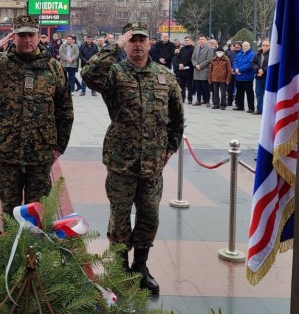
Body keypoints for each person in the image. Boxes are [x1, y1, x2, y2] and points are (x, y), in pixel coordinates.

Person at [82, 22, 184, 296]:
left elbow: (177, 119)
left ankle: (140, 267)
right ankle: (119, 267)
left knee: (150, 215)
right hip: (121, 161)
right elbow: (88, 74)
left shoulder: (165, 76)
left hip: (153, 164)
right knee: (119, 217)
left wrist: (170, 150)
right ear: (126, 44)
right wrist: (113, 46)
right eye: (132, 40)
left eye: (142, 40)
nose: (137, 45)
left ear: (150, 43)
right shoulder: (113, 74)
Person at [0, 15, 74, 218]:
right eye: (21, 35)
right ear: (13, 37)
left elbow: (65, 111)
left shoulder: (53, 68)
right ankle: (10, 249)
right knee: (9, 212)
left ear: (38, 37)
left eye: (31, 35)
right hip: (8, 151)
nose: (27, 40)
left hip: (41, 152)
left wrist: (59, 147)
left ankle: (34, 250)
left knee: (37, 211)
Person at [232, 41, 256, 113]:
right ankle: (240, 106)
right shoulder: (239, 54)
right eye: (244, 46)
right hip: (238, 77)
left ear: (249, 47)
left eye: (246, 46)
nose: (245, 47)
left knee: (249, 93)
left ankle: (251, 108)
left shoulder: (252, 54)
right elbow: (235, 62)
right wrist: (236, 69)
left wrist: (240, 70)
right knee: (239, 92)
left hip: (247, 77)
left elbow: (250, 64)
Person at [191, 36, 213, 106]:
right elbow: (193, 58)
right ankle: (198, 100)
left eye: (202, 39)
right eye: (200, 39)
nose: (201, 40)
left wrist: (200, 65)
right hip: (196, 69)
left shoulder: (209, 48)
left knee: (206, 86)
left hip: (204, 69)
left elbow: (209, 59)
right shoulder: (196, 48)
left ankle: (207, 101)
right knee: (198, 86)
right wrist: (195, 64)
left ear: (206, 41)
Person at [172, 36, 195, 104]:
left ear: (191, 41)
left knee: (189, 85)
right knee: (181, 85)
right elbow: (178, 57)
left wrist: (184, 64)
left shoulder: (193, 49)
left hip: (189, 69)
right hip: (181, 70)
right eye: (185, 40)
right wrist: (180, 64)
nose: (186, 41)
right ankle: (182, 98)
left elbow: (191, 59)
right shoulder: (182, 49)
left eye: (187, 40)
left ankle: (190, 99)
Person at [252, 40, 270, 115]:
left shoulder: (271, 55)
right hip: (258, 77)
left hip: (267, 77)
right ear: (261, 46)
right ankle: (259, 109)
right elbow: (253, 63)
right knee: (258, 94)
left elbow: (271, 65)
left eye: (267, 45)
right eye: (264, 45)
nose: (265, 47)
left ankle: (267, 111)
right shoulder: (257, 54)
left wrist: (263, 71)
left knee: (267, 95)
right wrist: (258, 70)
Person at [226, 42, 242, 106]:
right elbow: (228, 62)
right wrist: (231, 69)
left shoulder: (242, 53)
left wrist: (238, 70)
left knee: (239, 88)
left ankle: (237, 102)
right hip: (231, 72)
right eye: (236, 45)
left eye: (238, 45)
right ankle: (229, 101)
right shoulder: (230, 53)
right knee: (230, 88)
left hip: (239, 72)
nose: (237, 46)